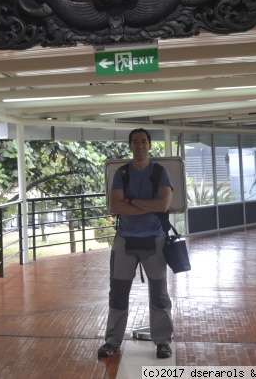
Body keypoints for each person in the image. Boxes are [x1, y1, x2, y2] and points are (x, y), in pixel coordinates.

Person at [97, 128, 174, 359]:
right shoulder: (121, 173)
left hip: (155, 239)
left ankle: (162, 342)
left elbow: (163, 205)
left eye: (143, 142)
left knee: (159, 294)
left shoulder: (160, 172)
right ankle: (112, 341)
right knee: (118, 293)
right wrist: (146, 204)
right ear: (130, 146)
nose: (139, 146)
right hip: (125, 240)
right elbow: (116, 207)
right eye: (135, 142)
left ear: (149, 145)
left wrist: (130, 201)